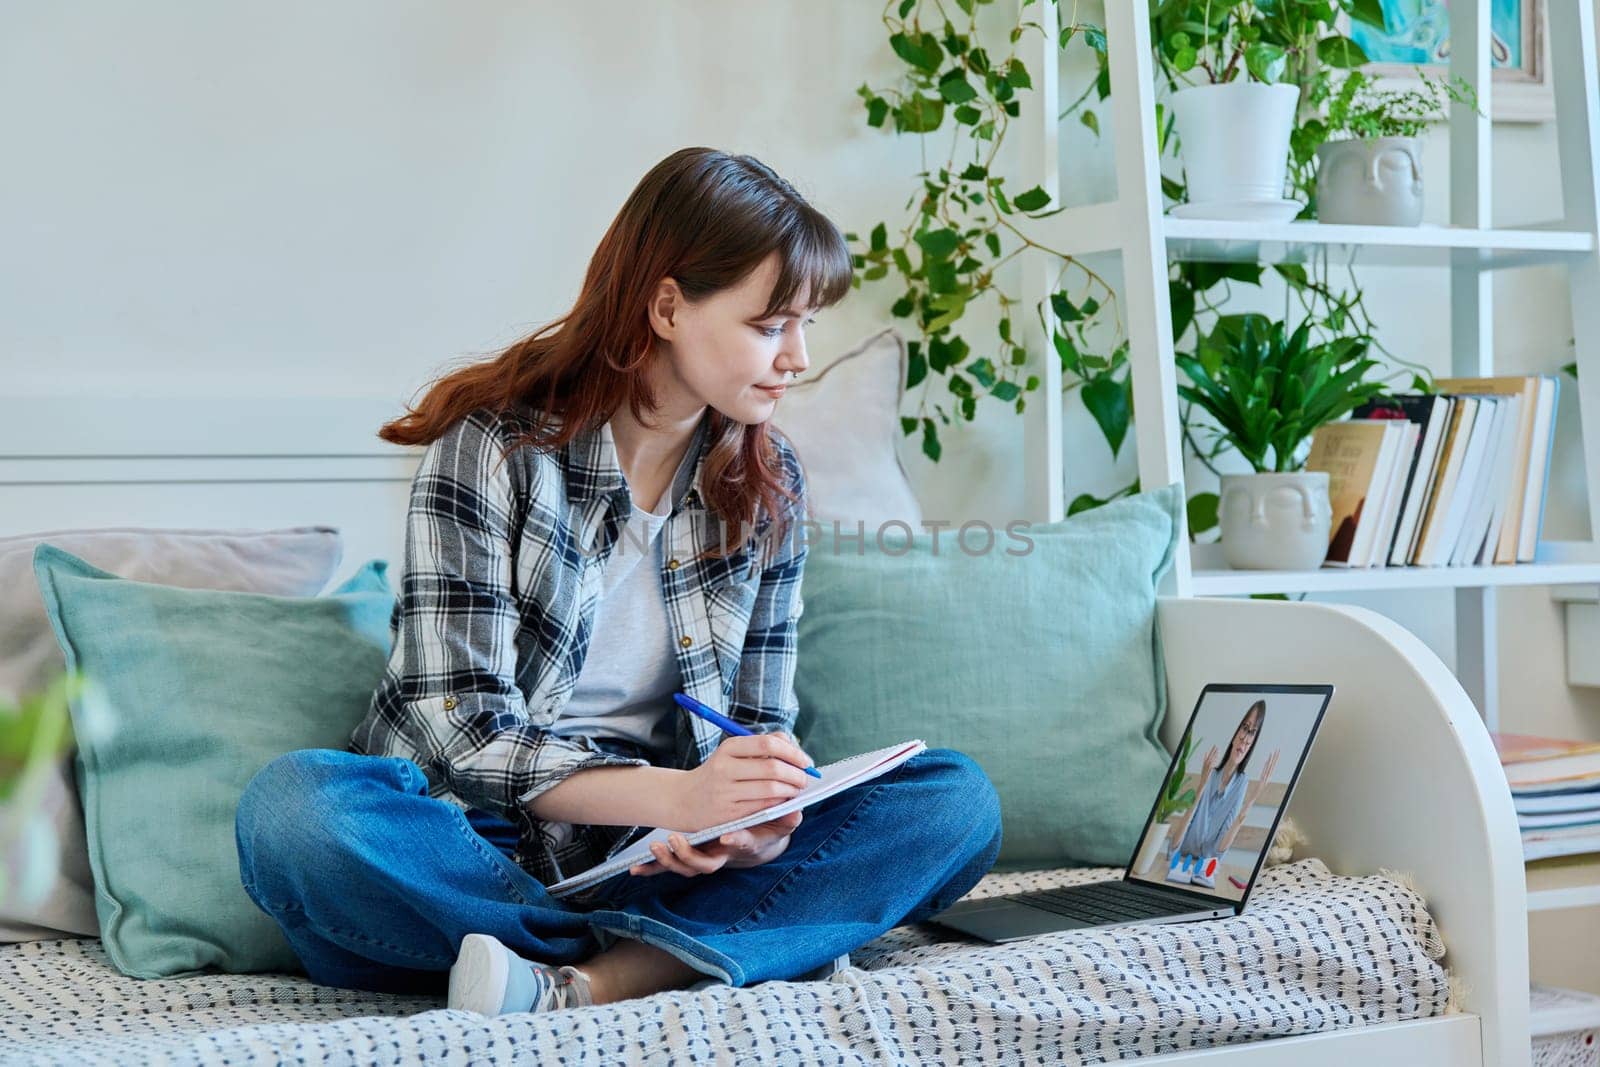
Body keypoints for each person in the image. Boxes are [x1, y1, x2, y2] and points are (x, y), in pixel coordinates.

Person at [234, 146, 1003, 1016]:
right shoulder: (491, 451)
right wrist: (678, 797)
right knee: (295, 813)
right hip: (474, 839)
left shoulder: (768, 484)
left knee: (953, 801)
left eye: (807, 324)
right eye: (768, 324)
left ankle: (584, 981)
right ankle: (696, 950)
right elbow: (465, 732)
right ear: (667, 305)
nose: (796, 356)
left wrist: (743, 824)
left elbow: (751, 730)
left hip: (653, 851)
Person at [1165, 700, 1281, 890]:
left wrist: (1253, 797)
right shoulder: (1209, 774)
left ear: (1252, 745)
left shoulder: (1241, 784)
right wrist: (1202, 785)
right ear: (1235, 735)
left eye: (1252, 732)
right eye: (1244, 728)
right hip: (1179, 867)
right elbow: (1174, 848)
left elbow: (1218, 854)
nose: (1244, 739)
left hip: (1202, 876)